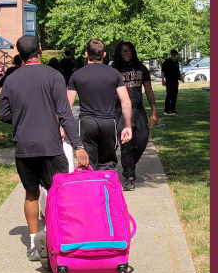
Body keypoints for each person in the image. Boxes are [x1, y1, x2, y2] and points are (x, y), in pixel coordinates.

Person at [0, 35, 90, 261]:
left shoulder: (11, 79)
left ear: (19, 54)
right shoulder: (54, 76)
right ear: (40, 50)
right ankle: (57, 239)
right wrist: (78, 145)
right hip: (50, 145)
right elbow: (65, 114)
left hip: (24, 146)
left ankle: (32, 244)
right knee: (57, 193)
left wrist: (23, 117)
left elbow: (3, 114)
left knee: (31, 193)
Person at [66, 38, 133, 171]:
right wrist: (128, 126)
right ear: (104, 54)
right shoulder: (114, 74)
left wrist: (64, 128)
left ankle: (90, 190)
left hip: (86, 124)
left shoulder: (76, 76)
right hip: (108, 123)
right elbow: (126, 102)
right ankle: (106, 190)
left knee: (87, 164)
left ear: (86, 54)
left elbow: (68, 105)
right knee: (108, 165)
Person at [111, 41, 158, 191]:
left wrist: (154, 110)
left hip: (139, 110)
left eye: (128, 51)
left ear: (133, 52)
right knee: (126, 144)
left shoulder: (141, 68)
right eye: (123, 51)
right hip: (120, 111)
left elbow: (149, 91)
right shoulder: (114, 70)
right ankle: (129, 177)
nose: (126, 53)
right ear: (119, 53)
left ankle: (129, 164)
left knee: (142, 140)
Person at [161, 49, 182, 115]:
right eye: (172, 54)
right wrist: (163, 80)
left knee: (174, 95)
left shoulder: (176, 62)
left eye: (174, 55)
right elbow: (162, 71)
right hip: (169, 81)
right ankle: (166, 110)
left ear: (176, 55)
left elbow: (177, 71)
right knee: (169, 95)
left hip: (175, 81)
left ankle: (173, 109)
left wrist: (180, 77)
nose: (173, 56)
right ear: (170, 55)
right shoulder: (166, 62)